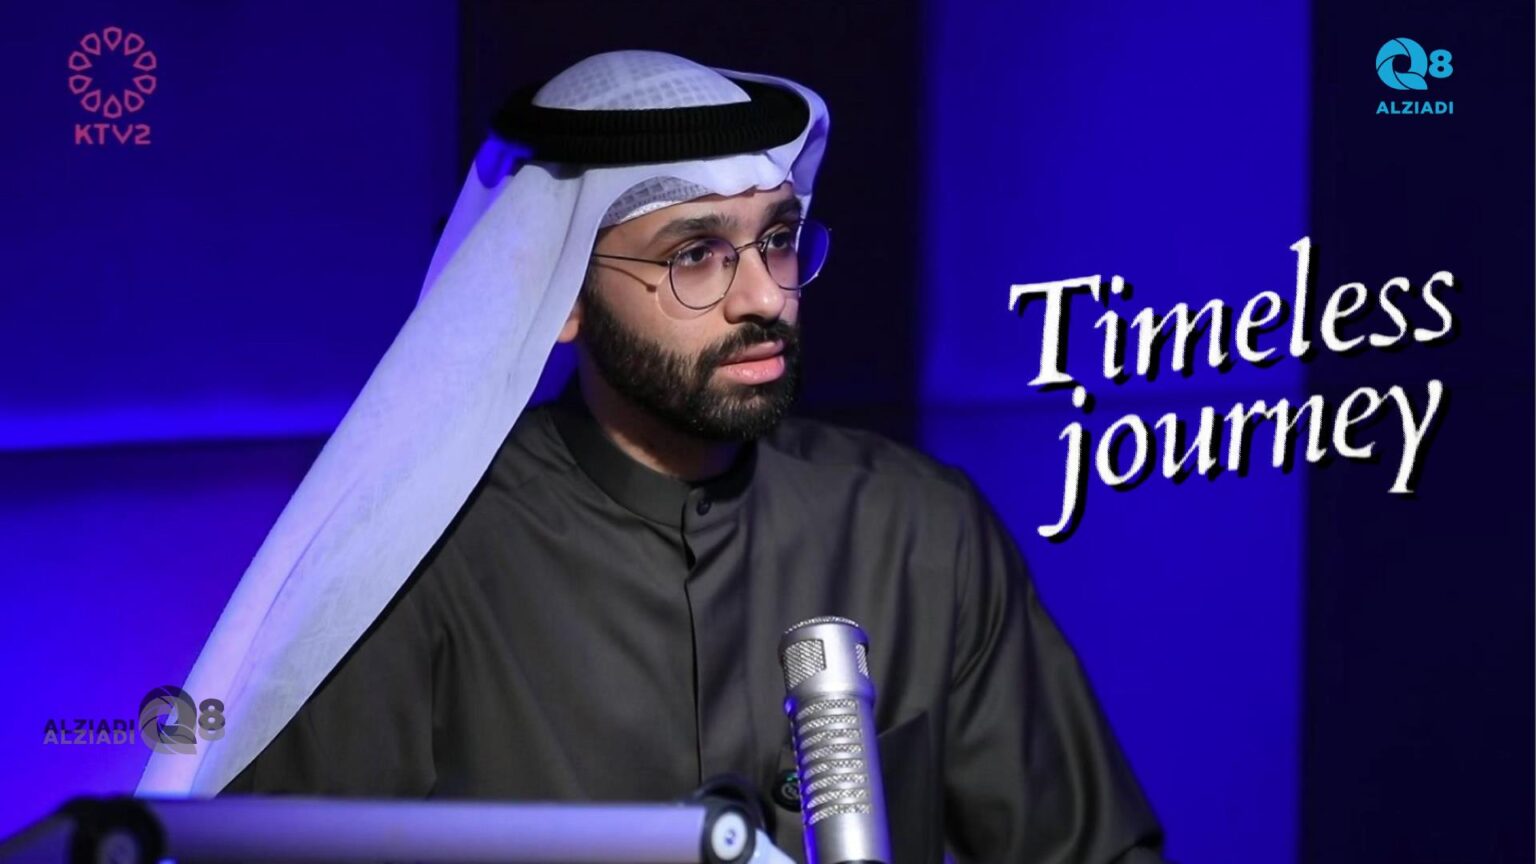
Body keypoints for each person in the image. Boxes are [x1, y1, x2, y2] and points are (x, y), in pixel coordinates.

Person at [142, 51, 1167, 863]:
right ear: (562, 299)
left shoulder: (918, 531)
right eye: (695, 256)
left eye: (778, 239)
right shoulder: (423, 561)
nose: (764, 297)